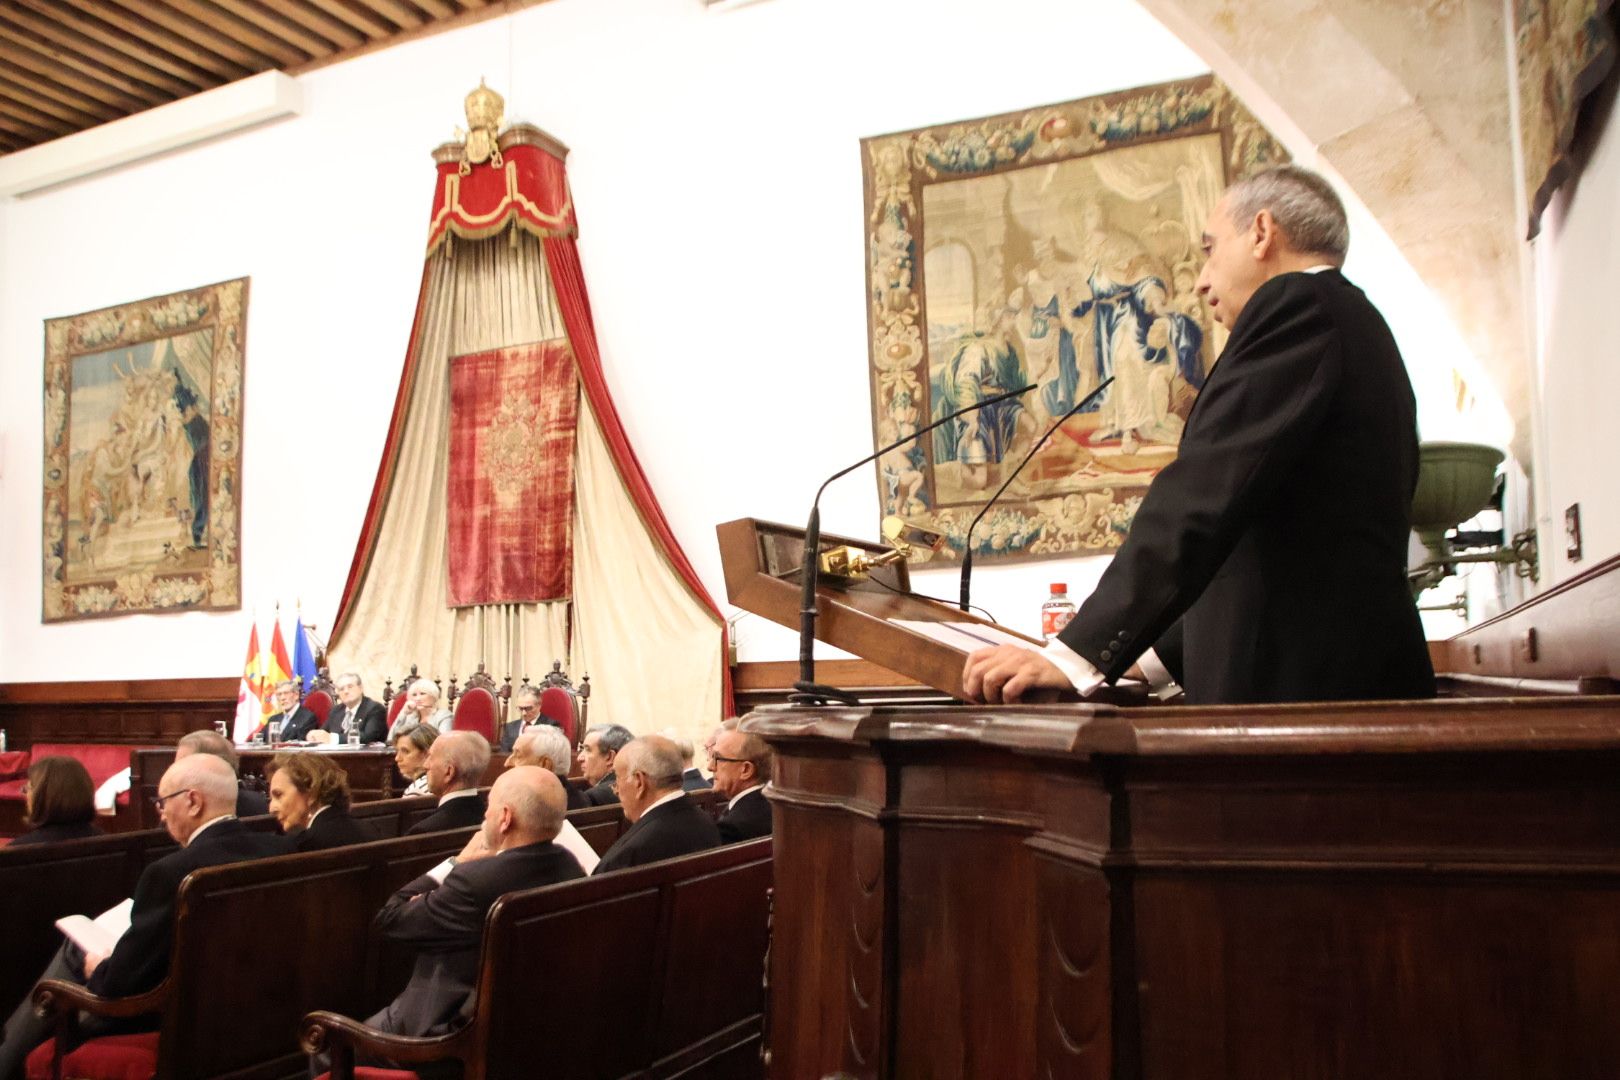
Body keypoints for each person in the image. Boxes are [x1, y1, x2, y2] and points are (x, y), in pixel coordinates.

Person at [963, 165, 1436, 707]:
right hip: (1334, 687)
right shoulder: (1349, 319)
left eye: (1211, 249)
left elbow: (1203, 495)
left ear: (1261, 232)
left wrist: (1075, 655)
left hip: (1307, 704)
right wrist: (1148, 662)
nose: (1201, 279)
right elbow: (1280, 547)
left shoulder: (1298, 307)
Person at [0, 756, 287, 1078]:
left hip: (169, 1017)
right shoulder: (277, 850)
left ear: (192, 801)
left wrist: (101, 966)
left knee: (71, 960)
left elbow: (117, 985)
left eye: (162, 802)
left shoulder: (171, 872)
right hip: (255, 1014)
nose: (160, 813)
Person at [361, 768, 583, 1063]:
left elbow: (390, 918)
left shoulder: (472, 879)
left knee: (325, 1045)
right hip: (529, 1029)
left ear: (505, 817)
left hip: (443, 1031)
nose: (484, 817)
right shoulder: (571, 866)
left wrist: (456, 862)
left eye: (488, 807)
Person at [593, 736, 720, 874]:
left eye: (617, 779)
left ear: (639, 782)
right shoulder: (707, 822)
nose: (616, 790)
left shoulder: (628, 857)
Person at [266, 752, 375, 851]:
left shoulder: (306, 845)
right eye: (270, 799)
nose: (271, 809)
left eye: (279, 795)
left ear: (311, 793)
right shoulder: (370, 830)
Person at [405, 731, 490, 835]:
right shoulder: (491, 820)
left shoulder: (424, 832)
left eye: (431, 757)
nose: (425, 765)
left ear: (449, 772)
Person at [175, 729, 269, 818]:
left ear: (210, 767)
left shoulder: (186, 810)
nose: (173, 772)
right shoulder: (257, 801)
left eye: (181, 765)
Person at [10, 757, 100, 846]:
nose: (25, 795)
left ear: (41, 797)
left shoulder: (18, 851)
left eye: (27, 789)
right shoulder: (109, 844)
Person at [709, 728, 772, 843]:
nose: (710, 767)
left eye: (718, 758)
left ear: (746, 770)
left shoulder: (731, 828)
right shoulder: (774, 805)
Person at [506, 724, 586, 810]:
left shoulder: (533, 813)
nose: (507, 763)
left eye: (518, 756)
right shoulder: (578, 800)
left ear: (545, 765)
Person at [576, 724, 632, 807]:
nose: (579, 758)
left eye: (588, 750)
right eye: (581, 749)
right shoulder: (634, 788)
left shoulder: (594, 797)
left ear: (609, 757)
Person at [322, 673, 387, 744]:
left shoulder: (375, 709)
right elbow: (324, 732)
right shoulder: (336, 711)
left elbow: (369, 736)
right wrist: (315, 735)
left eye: (350, 687)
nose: (346, 691)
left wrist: (335, 738)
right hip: (335, 754)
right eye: (341, 689)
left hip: (365, 754)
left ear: (361, 688)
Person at [385, 680, 453, 740]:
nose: (417, 699)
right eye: (414, 695)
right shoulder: (410, 717)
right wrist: (403, 712)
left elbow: (443, 742)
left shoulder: (444, 715)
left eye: (422, 694)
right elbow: (391, 739)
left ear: (434, 696)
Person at [497, 686, 550, 753]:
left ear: (539, 705)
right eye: (520, 709)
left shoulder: (550, 726)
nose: (523, 713)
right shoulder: (510, 728)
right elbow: (503, 755)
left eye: (528, 708)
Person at [393, 723, 438, 797]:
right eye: (397, 751)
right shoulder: (442, 782)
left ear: (426, 754)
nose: (397, 758)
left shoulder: (415, 791)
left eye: (405, 751)